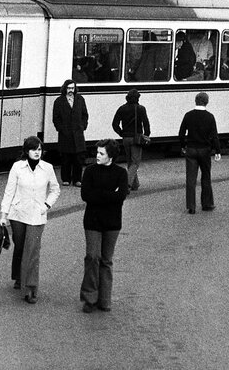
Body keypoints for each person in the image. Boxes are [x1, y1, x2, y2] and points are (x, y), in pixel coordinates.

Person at [0, 136, 61, 304]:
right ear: (26, 151)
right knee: (20, 246)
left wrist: (46, 205)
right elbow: (9, 191)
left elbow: (55, 190)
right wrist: (3, 216)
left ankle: (30, 288)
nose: (37, 152)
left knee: (32, 250)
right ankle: (19, 277)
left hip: (37, 216)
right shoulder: (17, 167)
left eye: (39, 149)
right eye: (34, 149)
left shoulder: (47, 168)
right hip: (18, 214)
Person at [79, 139, 130, 313]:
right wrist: (110, 195)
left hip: (112, 223)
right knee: (92, 257)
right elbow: (86, 195)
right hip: (92, 221)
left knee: (106, 260)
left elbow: (121, 196)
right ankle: (90, 297)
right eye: (97, 153)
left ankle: (104, 299)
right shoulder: (90, 171)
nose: (97, 156)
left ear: (111, 156)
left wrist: (99, 195)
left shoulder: (121, 173)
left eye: (101, 153)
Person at [177, 91, 221, 214]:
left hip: (191, 149)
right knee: (206, 177)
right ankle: (207, 204)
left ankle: (191, 206)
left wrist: (183, 146)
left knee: (190, 179)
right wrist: (217, 150)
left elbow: (181, 134)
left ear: (195, 101)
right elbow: (214, 136)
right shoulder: (210, 116)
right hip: (205, 150)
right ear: (207, 102)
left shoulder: (188, 115)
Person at [110, 89, 150, 190]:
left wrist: (121, 133)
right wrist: (146, 135)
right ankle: (127, 184)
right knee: (135, 162)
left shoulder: (122, 108)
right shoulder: (141, 109)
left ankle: (134, 185)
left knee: (130, 161)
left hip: (125, 138)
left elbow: (114, 124)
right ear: (137, 98)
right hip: (136, 138)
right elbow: (146, 124)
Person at [52, 79, 88, 186]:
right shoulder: (58, 101)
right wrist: (60, 128)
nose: (70, 90)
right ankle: (66, 179)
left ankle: (77, 179)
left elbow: (85, 115)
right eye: (68, 88)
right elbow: (56, 118)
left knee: (78, 158)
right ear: (65, 88)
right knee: (66, 158)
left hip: (78, 133)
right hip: (65, 134)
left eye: (72, 88)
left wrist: (83, 126)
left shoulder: (80, 99)